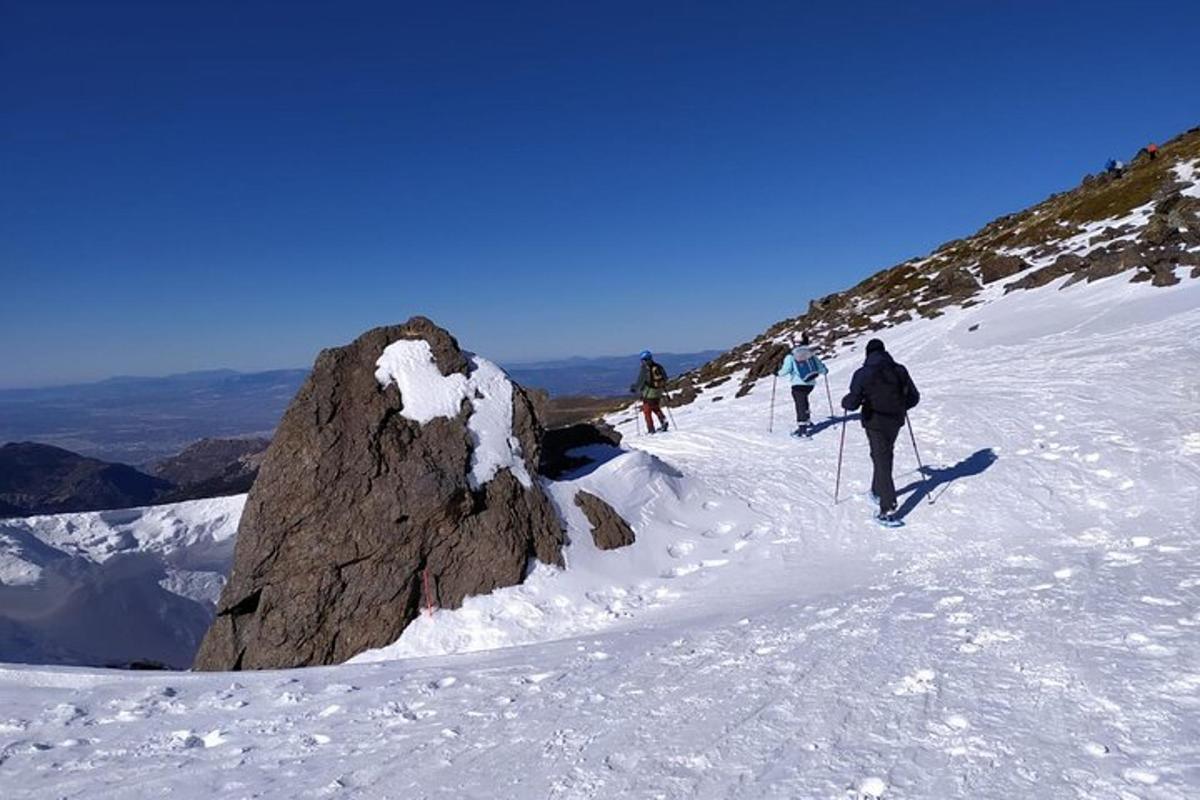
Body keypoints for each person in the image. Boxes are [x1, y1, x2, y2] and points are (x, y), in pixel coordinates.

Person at [841, 339, 920, 526]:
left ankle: (888, 507)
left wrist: (846, 402)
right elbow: (914, 398)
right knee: (883, 455)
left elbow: (852, 403)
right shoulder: (899, 370)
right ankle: (877, 490)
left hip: (874, 421)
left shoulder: (863, 373)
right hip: (895, 421)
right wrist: (900, 407)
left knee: (881, 458)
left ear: (867, 354)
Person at [777, 334, 828, 437]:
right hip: (810, 383)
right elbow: (821, 368)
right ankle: (808, 421)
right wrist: (824, 371)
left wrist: (777, 373)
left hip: (798, 384)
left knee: (800, 404)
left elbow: (786, 370)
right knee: (804, 401)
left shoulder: (791, 356)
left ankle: (802, 430)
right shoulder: (810, 354)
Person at [630, 350, 669, 433]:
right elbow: (665, 378)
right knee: (655, 407)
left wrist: (634, 388)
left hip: (648, 393)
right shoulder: (658, 366)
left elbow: (640, 382)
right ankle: (663, 421)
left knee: (647, 411)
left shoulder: (645, 369)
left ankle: (651, 430)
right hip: (658, 392)